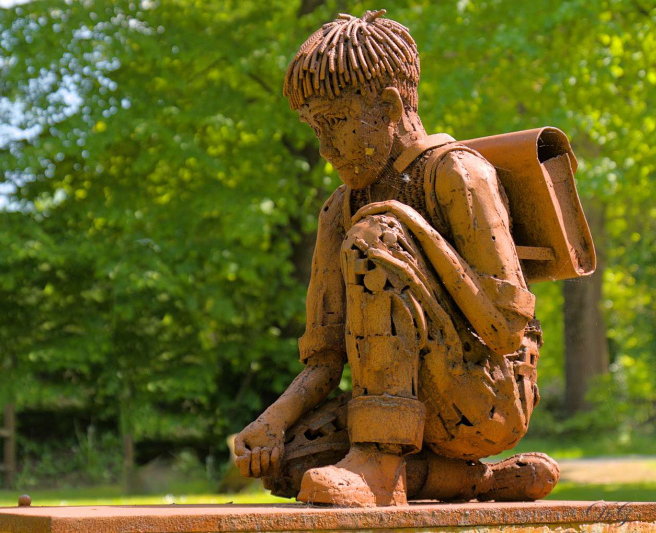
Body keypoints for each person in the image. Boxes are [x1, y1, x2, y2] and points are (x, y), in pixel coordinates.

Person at [234, 10, 559, 507]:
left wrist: (411, 232)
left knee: (377, 237)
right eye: (314, 127)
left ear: (387, 105)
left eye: (335, 122)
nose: (323, 147)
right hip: (407, 406)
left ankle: (380, 467)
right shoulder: (339, 208)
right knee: (295, 464)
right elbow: (326, 362)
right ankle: (481, 483)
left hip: (487, 396)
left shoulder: (458, 174)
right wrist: (271, 424)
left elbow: (506, 329)